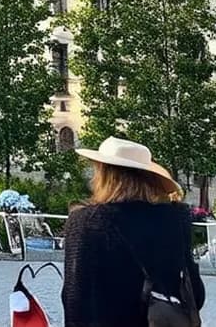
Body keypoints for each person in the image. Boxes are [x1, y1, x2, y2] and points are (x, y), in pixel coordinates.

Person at [61, 137, 205, 327]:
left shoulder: (84, 222)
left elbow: (74, 302)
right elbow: (195, 294)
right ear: (150, 177)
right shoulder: (175, 219)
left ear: (103, 174)